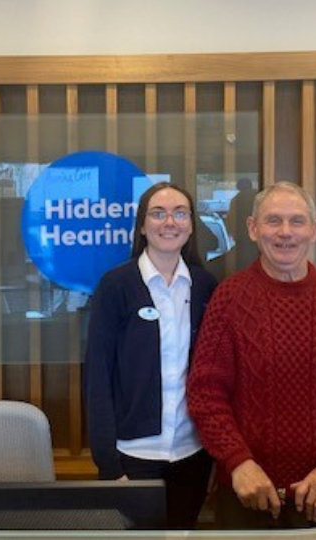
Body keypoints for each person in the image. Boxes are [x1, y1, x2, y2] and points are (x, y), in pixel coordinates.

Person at [186, 181, 316, 529]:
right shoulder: (229, 299)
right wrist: (238, 463)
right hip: (246, 497)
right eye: (273, 220)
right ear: (252, 228)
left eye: (296, 221)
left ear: (314, 230)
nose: (285, 232)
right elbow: (205, 393)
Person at [85, 182, 218, 529]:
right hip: (133, 457)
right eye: (157, 213)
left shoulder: (206, 286)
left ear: (191, 225)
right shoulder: (115, 286)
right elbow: (97, 377)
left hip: (193, 455)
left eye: (180, 213)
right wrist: (109, 467)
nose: (169, 222)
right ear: (142, 226)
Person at [227, 177, 259, 271]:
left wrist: (232, 232)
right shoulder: (258, 196)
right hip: (257, 234)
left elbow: (230, 219)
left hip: (240, 234)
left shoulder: (235, 200)